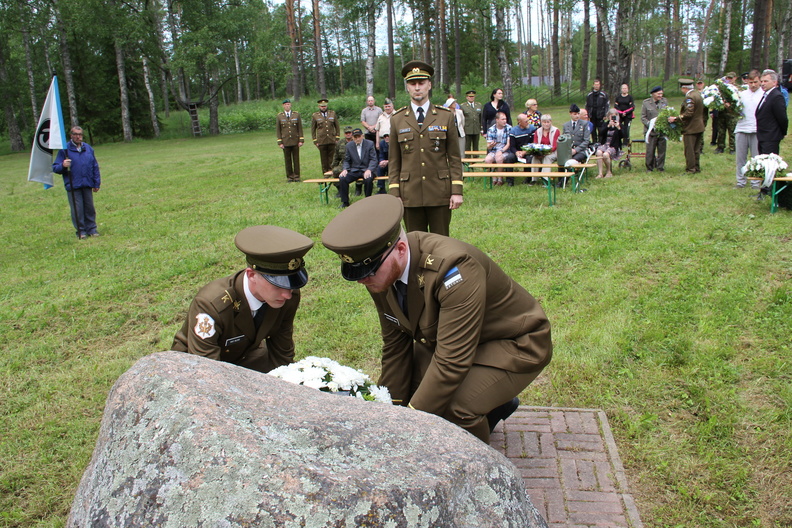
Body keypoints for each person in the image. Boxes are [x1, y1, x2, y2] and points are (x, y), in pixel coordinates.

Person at [321, 194, 552, 444]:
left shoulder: (454, 268)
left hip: (514, 344)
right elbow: (395, 346)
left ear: (400, 249)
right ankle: (495, 401)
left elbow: (452, 361)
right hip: (455, 340)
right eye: (357, 274)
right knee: (412, 392)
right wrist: (388, 408)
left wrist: (409, 423)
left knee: (455, 407)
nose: (362, 280)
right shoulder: (379, 271)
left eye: (369, 272)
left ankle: (473, 465)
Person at [171, 225, 313, 373]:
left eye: (290, 285)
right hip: (191, 367)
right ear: (251, 275)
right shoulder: (211, 305)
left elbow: (282, 353)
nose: (287, 295)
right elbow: (207, 370)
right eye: (278, 285)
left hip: (244, 356)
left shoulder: (288, 296)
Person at [388, 61, 463, 236]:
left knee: (441, 242)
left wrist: (457, 191)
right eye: (412, 83)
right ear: (407, 87)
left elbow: (454, 158)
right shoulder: (397, 119)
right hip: (410, 193)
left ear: (429, 85)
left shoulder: (445, 116)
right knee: (415, 242)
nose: (417, 88)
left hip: (439, 191)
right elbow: (394, 161)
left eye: (421, 83)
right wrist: (394, 193)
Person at [52, 126, 101, 239]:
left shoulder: (88, 149)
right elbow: (55, 168)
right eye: (76, 134)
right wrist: (63, 165)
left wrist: (96, 183)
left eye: (80, 134)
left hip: (87, 183)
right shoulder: (64, 150)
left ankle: (92, 229)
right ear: (71, 135)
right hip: (73, 184)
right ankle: (81, 231)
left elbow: (94, 166)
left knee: (89, 208)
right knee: (77, 209)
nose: (78, 137)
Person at [734, 71, 763, 189]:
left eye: (755, 82)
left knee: (756, 158)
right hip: (741, 128)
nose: (753, 85)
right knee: (740, 158)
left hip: (757, 129)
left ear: (760, 81)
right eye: (751, 82)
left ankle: (755, 182)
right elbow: (736, 110)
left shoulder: (763, 95)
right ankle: (740, 181)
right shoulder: (742, 94)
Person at [669, 79, 705, 173]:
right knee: (696, 149)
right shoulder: (697, 94)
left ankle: (690, 169)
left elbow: (689, 113)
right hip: (699, 126)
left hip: (691, 127)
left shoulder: (690, 97)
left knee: (690, 150)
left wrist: (676, 118)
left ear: (684, 88)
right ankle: (696, 167)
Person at [338, 128, 378, 208]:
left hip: (367, 169)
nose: (357, 139)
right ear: (352, 137)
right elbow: (347, 160)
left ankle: (368, 201)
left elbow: (373, 159)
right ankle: (345, 202)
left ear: (362, 136)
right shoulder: (349, 146)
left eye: (359, 136)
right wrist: (345, 169)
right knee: (342, 178)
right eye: (355, 137)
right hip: (355, 170)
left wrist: (369, 169)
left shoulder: (369, 144)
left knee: (368, 179)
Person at [755, 70, 788, 156]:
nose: (762, 84)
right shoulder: (766, 95)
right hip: (762, 136)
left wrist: (782, 132)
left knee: (768, 161)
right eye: (761, 81)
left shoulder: (776, 96)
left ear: (774, 82)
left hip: (771, 136)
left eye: (766, 81)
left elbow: (782, 118)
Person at [640, 86, 668, 172]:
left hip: (662, 131)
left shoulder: (664, 101)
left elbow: (667, 113)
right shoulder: (646, 103)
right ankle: (649, 167)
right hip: (651, 132)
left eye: (661, 94)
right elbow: (643, 117)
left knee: (662, 150)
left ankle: (660, 167)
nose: (660, 95)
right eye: (658, 94)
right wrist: (650, 125)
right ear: (653, 94)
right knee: (650, 151)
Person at [276, 99, 304, 182]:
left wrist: (301, 140)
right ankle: (290, 177)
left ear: (290, 105)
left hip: (295, 140)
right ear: (283, 106)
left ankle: (297, 176)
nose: (287, 106)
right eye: (285, 104)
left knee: (296, 159)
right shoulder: (279, 116)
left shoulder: (296, 115)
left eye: (288, 104)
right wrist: (280, 142)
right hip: (285, 141)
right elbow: (278, 130)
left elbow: (300, 128)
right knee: (287, 160)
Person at [484, 111, 514, 186]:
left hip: (505, 150)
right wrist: (491, 145)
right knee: (487, 160)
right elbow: (488, 146)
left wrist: (501, 151)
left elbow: (508, 144)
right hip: (494, 150)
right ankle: (494, 178)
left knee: (499, 158)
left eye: (505, 119)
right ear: (497, 120)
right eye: (502, 119)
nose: (505, 121)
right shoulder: (491, 129)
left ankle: (500, 179)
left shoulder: (509, 128)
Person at [311, 99, 340, 176]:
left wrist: (337, 137)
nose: (323, 107)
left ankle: (332, 171)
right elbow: (313, 129)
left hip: (331, 139)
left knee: (332, 157)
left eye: (325, 106)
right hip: (321, 140)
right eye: (322, 106)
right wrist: (315, 140)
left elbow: (337, 126)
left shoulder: (332, 113)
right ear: (319, 106)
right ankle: (325, 172)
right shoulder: (315, 115)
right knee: (323, 158)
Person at [509, 113, 539, 184]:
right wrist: (516, 152)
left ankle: (528, 179)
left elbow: (534, 143)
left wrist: (525, 151)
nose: (528, 122)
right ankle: (510, 180)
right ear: (519, 122)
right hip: (518, 152)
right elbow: (512, 146)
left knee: (530, 159)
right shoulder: (513, 131)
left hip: (528, 151)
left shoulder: (532, 129)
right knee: (509, 158)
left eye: (528, 120)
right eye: (526, 121)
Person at [595, 109, 624, 178]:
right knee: (598, 152)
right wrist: (608, 126)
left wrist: (618, 127)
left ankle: (609, 171)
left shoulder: (620, 125)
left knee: (605, 154)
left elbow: (623, 136)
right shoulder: (605, 124)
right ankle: (600, 173)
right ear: (608, 117)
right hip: (605, 144)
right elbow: (600, 133)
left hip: (613, 145)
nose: (613, 118)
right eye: (611, 116)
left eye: (615, 116)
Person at [715, 72, 739, 154]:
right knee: (721, 131)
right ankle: (720, 147)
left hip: (732, 113)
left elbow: (739, 100)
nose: (729, 80)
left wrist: (731, 105)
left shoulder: (737, 88)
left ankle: (732, 148)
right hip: (722, 112)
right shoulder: (721, 88)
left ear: (735, 78)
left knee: (732, 131)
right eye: (728, 78)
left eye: (731, 78)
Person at [585, 79, 609, 144]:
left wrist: (605, 114)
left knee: (601, 129)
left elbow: (607, 105)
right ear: (593, 85)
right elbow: (587, 105)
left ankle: (600, 142)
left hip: (600, 115)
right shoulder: (589, 95)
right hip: (592, 115)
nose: (596, 86)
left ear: (600, 85)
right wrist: (587, 115)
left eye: (598, 84)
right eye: (595, 84)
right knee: (593, 129)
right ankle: (594, 141)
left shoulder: (603, 95)